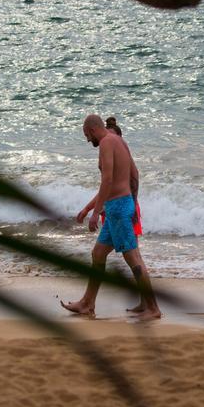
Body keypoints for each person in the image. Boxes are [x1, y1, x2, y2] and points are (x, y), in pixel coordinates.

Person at [62, 114, 161, 320]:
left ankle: (153, 308)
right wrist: (131, 203)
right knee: (98, 253)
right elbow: (134, 174)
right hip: (121, 205)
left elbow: (107, 180)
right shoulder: (119, 141)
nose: (88, 140)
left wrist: (96, 213)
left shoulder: (107, 142)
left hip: (116, 209)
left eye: (87, 136)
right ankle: (87, 303)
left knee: (133, 257)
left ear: (91, 130)